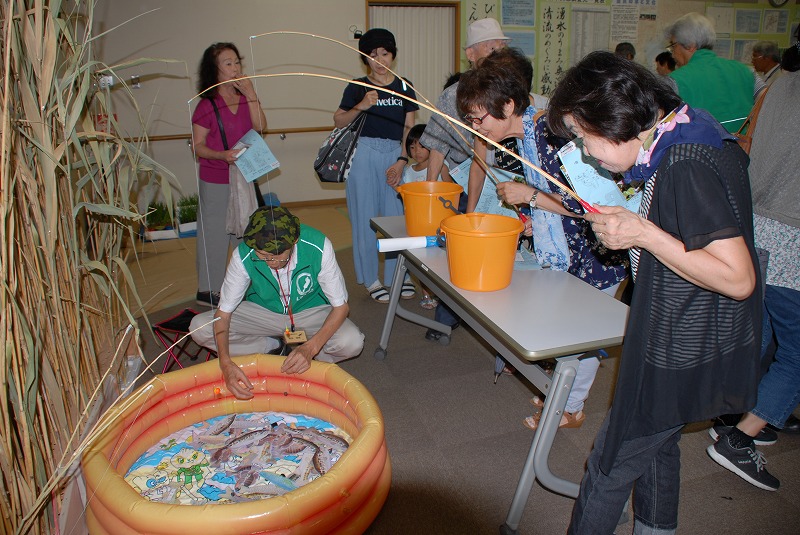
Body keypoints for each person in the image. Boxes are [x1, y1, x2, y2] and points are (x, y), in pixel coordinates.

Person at [544, 51, 761, 534]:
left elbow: (737, 278)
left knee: (609, 464)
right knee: (658, 448)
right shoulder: (690, 131)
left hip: (678, 346)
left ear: (613, 118)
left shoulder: (684, 163)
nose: (586, 152)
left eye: (583, 136)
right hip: (692, 333)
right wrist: (636, 230)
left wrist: (642, 233)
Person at [456, 48, 629, 430]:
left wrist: (531, 196)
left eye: (479, 118)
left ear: (508, 105)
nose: (475, 127)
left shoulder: (550, 133)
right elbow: (559, 199)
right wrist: (538, 215)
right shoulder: (526, 134)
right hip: (575, 246)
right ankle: (562, 396)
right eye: (470, 120)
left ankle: (571, 407)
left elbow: (590, 207)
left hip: (599, 249)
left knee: (582, 333)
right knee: (569, 327)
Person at [706, 37, 800, 493]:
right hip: (792, 233)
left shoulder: (779, 84)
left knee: (757, 332)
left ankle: (735, 414)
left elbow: (749, 141)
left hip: (756, 221)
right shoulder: (763, 81)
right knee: (796, 350)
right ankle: (740, 437)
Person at [190, 206, 365, 399]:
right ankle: (271, 347)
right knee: (199, 327)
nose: (270, 261)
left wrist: (310, 348)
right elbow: (223, 315)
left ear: (294, 241)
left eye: (277, 254)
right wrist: (225, 364)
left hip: (311, 310)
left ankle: (312, 364)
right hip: (264, 312)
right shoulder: (244, 254)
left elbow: (341, 307)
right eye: (263, 255)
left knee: (352, 342)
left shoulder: (318, 245)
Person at [420, 17, 510, 342]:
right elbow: (437, 144)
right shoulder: (453, 96)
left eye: (501, 48)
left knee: (506, 258)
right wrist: (431, 193)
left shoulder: (512, 89)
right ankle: (447, 318)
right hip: (467, 182)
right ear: (471, 54)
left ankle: (503, 322)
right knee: (458, 255)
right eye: (490, 48)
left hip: (511, 184)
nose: (498, 54)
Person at [334, 28, 418, 304]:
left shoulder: (404, 86)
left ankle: (399, 275)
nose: (379, 60)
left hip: (395, 154)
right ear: (365, 59)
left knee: (397, 219)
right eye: (372, 55)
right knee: (364, 218)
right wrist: (361, 105)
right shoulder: (357, 86)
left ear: (393, 55)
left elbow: (409, 126)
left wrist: (402, 159)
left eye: (385, 53)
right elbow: (339, 120)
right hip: (363, 154)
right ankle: (370, 278)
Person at [192, 42, 268, 307]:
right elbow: (198, 145)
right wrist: (221, 155)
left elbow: (261, 126)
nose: (235, 68)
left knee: (244, 231)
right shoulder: (206, 105)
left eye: (237, 62)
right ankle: (209, 289)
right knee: (213, 234)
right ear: (214, 69)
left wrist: (251, 93)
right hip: (215, 177)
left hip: (244, 175)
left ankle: (243, 287)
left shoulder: (246, 97)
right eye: (228, 63)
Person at [665, 13, 759, 133]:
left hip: (700, 144)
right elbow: (767, 99)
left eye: (673, 46)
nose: (672, 54)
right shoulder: (746, 71)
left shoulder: (675, 80)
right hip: (743, 143)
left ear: (689, 45)